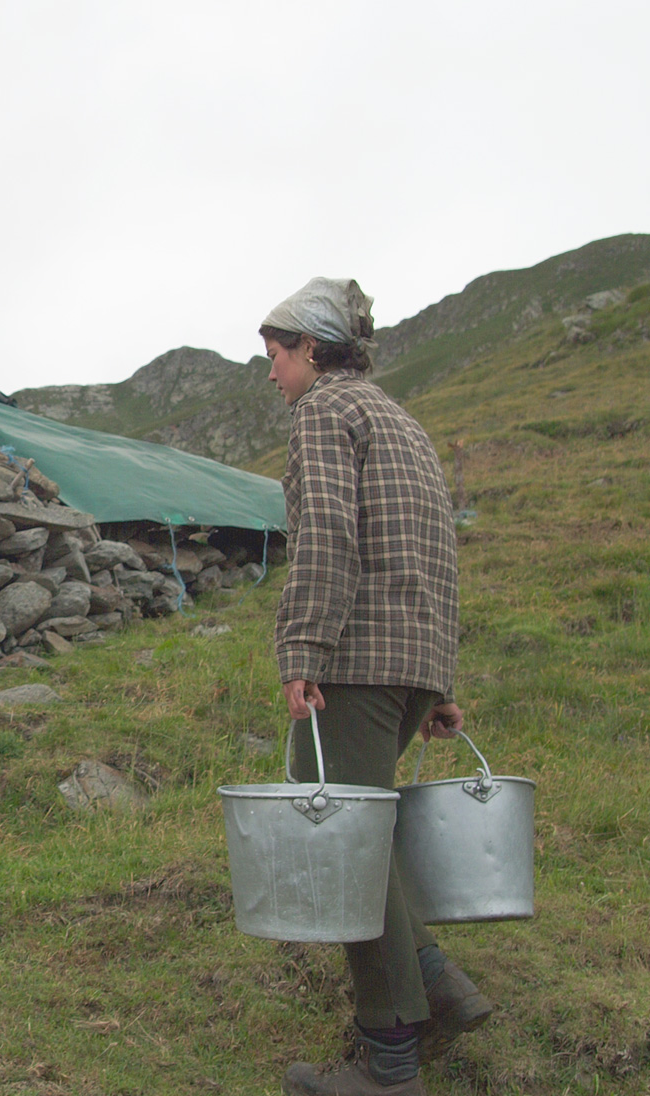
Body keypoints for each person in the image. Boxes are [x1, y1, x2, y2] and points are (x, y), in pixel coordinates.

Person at [261, 278, 493, 1096]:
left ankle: (390, 1063)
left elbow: (325, 534)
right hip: (412, 662)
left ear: (315, 350)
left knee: (341, 846)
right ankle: (435, 979)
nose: (273, 372)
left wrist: (303, 649)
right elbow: (434, 549)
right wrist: (439, 684)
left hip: (356, 662)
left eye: (278, 354)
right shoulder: (401, 420)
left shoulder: (324, 411)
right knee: (364, 831)